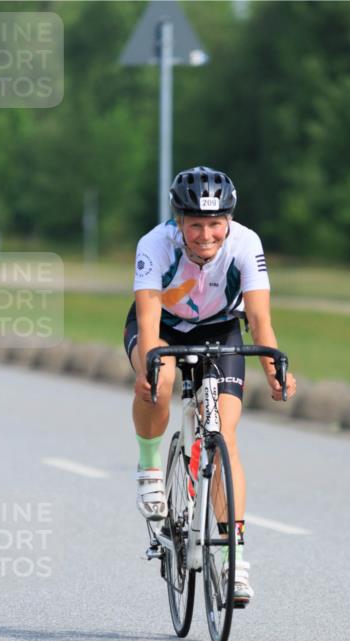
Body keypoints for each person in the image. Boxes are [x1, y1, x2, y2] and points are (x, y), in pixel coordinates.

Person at [124, 165, 296, 606]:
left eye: (215, 224)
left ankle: (232, 557)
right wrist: (148, 367)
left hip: (220, 330)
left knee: (225, 437)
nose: (206, 235)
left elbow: (258, 318)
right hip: (163, 326)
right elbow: (147, 317)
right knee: (161, 379)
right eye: (196, 225)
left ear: (229, 221)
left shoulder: (246, 243)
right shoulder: (154, 244)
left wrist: (273, 369)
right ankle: (150, 467)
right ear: (179, 221)